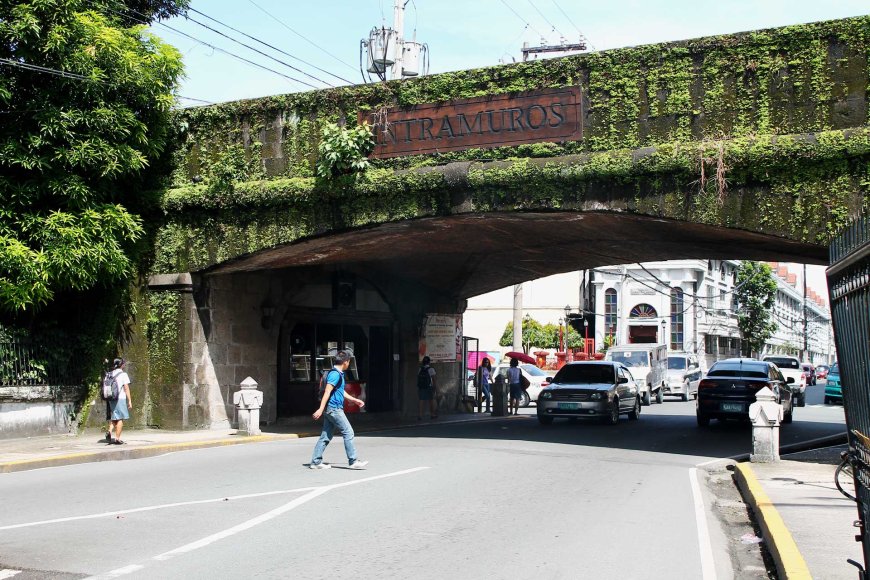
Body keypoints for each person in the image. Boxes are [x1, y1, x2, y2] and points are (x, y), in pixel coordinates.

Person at [310, 350, 368, 470]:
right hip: (334, 409)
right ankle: (353, 461)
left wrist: (355, 400)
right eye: (349, 362)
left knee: (326, 436)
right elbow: (327, 391)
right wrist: (320, 409)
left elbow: (340, 391)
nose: (349, 364)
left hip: (330, 409)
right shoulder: (335, 374)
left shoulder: (337, 373)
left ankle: (315, 462)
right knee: (348, 432)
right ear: (345, 362)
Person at [108, 358, 132, 445]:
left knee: (115, 416)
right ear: (121, 364)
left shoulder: (110, 373)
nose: (124, 365)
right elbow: (126, 388)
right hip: (120, 398)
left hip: (111, 398)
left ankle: (110, 431)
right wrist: (129, 400)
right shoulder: (123, 374)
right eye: (124, 363)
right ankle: (117, 439)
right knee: (120, 418)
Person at [417, 356, 438, 420]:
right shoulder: (431, 369)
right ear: (429, 362)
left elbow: (418, 377)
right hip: (429, 387)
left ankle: (420, 415)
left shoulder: (420, 369)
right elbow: (434, 380)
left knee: (421, 400)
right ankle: (432, 414)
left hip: (421, 386)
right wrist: (435, 388)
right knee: (431, 401)